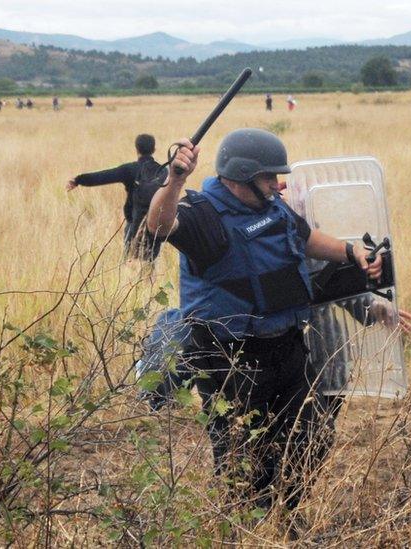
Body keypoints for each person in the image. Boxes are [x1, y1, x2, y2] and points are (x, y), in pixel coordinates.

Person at [145, 128, 384, 513]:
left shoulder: (273, 207)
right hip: (230, 361)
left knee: (312, 436)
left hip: (287, 349)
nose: (278, 183)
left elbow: (305, 238)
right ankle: (247, 525)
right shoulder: (202, 215)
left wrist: (351, 250)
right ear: (241, 176)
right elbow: (158, 225)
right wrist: (174, 180)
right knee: (242, 459)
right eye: (269, 177)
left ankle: (284, 516)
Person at [66, 134, 164, 260]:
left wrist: (79, 180)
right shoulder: (163, 171)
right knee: (150, 263)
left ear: (137, 149)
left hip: (133, 222)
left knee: (129, 262)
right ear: (154, 149)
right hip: (155, 224)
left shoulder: (129, 169)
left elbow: (104, 176)